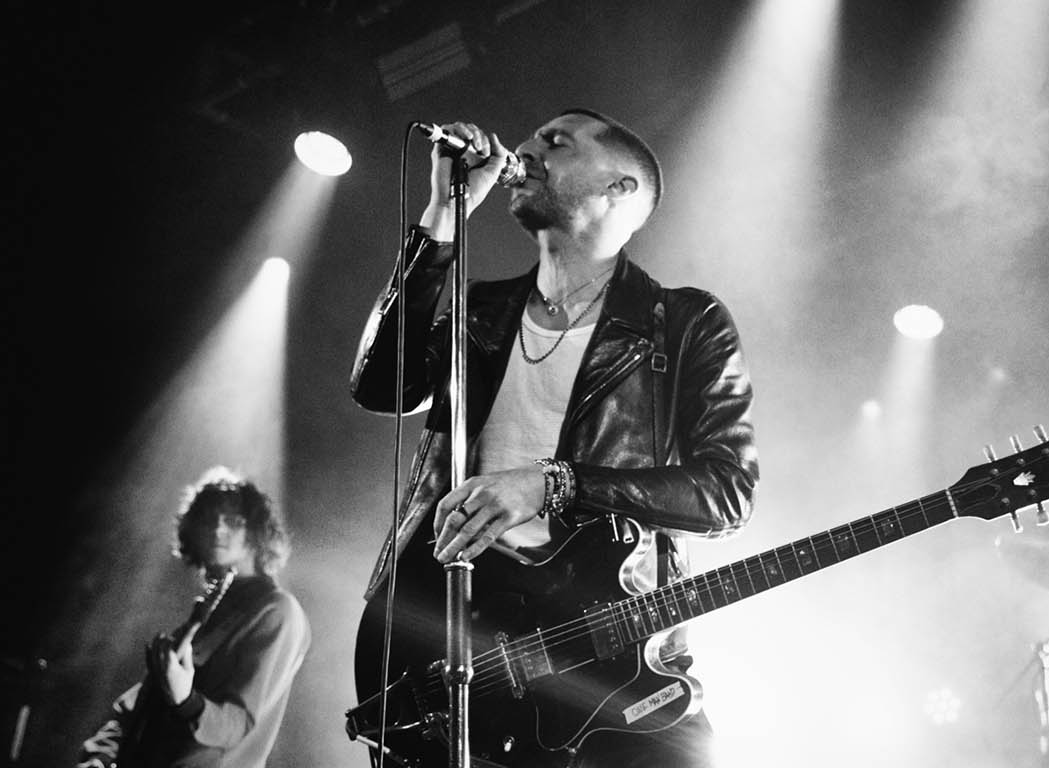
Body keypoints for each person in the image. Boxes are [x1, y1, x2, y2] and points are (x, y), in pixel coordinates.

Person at [349, 109, 759, 767]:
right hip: (450, 632)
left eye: (556, 141)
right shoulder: (482, 310)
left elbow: (727, 492)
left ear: (620, 189)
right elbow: (379, 387)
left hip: (604, 656)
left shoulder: (682, 323)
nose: (526, 148)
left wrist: (556, 484)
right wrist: (444, 214)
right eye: (533, 137)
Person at [77, 468, 311, 768]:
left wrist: (186, 699)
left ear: (256, 532)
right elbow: (136, 706)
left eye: (232, 521)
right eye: (209, 519)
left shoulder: (277, 610)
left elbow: (237, 724)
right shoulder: (207, 613)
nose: (217, 530)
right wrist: (101, 754)